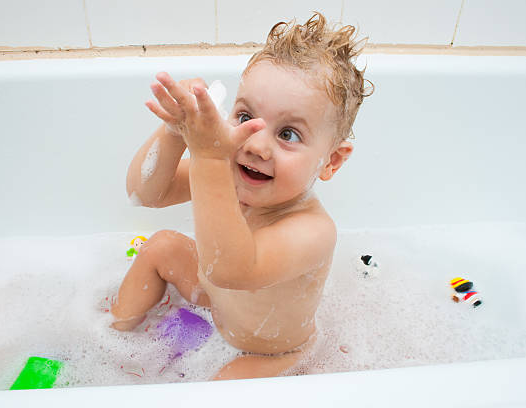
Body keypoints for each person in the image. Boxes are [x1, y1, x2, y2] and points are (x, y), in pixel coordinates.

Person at [111, 11, 373, 380]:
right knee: (162, 245)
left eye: (288, 135)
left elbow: (230, 270)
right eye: (246, 116)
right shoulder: (228, 176)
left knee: (222, 387)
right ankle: (112, 339)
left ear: (330, 161)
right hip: (219, 305)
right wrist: (175, 130)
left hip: (270, 349)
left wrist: (208, 156)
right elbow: (145, 194)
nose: (256, 144)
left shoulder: (312, 230)